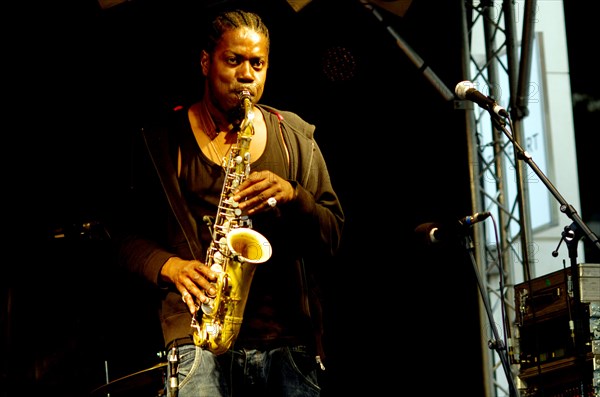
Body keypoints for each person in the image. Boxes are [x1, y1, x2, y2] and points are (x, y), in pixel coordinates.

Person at [110, 7, 344, 397]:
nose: (247, 75)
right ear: (205, 62)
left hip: (286, 344)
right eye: (233, 61)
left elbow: (335, 235)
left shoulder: (297, 138)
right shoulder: (161, 143)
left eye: (258, 63)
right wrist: (172, 266)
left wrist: (294, 197)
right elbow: (121, 238)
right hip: (198, 338)